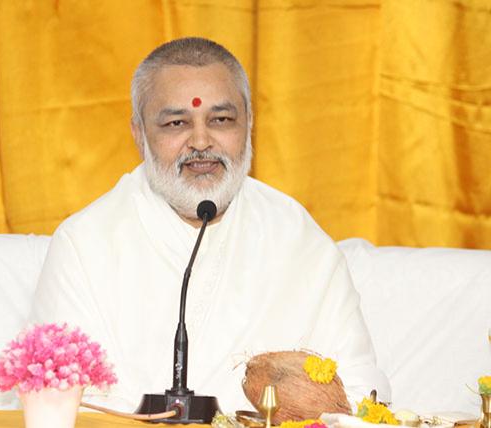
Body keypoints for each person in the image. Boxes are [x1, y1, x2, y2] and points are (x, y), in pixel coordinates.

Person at [30, 37, 390, 413]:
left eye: (220, 120)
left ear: (248, 124)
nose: (201, 141)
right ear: (139, 133)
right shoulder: (85, 243)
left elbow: (360, 390)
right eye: (176, 123)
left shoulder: (297, 238)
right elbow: (52, 401)